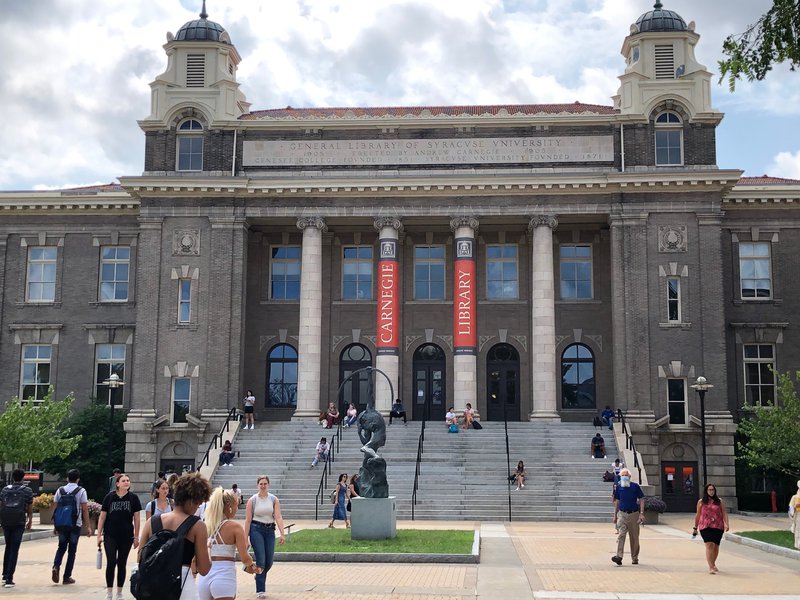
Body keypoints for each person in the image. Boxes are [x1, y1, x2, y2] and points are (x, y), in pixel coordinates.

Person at [138, 471, 212, 600]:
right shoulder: (197, 525)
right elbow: (204, 569)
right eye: (198, 503)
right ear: (191, 500)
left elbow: (140, 557)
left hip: (153, 583)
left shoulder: (152, 521)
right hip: (182, 583)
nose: (198, 507)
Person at [197, 487, 261, 600]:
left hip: (204, 577)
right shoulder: (234, 527)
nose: (237, 509)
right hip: (224, 576)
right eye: (236, 505)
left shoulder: (205, 525)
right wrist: (253, 567)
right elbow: (245, 558)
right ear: (230, 507)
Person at [97, 473, 141, 599]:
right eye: (123, 481)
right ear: (117, 484)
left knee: (122, 563)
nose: (126, 482)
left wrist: (136, 537)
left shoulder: (133, 498)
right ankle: (109, 592)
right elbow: (102, 517)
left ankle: (119, 592)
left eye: (128, 480)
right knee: (111, 562)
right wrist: (99, 535)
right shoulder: (109, 497)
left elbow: (137, 519)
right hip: (110, 534)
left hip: (126, 535)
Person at [243, 475, 286, 600]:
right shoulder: (253, 500)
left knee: (269, 561)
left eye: (265, 484)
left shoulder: (273, 499)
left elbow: (278, 516)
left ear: (268, 485)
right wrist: (245, 538)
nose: (263, 486)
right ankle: (260, 589)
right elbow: (247, 520)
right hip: (256, 530)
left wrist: (282, 533)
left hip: (269, 530)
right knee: (261, 559)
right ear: (257, 485)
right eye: (261, 484)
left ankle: (258, 574)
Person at [51, 469, 92, 586]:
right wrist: (88, 526)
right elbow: (84, 508)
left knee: (61, 547)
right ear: (78, 479)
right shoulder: (81, 491)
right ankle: (67, 576)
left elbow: (55, 508)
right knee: (72, 551)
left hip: (62, 524)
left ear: (67, 478)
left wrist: (55, 525)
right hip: (75, 524)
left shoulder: (60, 490)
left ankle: (56, 566)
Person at [1, 468, 34, 588]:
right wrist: (30, 520)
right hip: (19, 522)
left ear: (13, 477)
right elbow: (30, 507)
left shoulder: (5, 489)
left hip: (6, 521)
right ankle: (9, 578)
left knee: (8, 547)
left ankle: (5, 574)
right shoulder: (27, 490)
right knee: (15, 549)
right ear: (23, 477)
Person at [693, 482, 730, 574]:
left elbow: (724, 513)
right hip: (705, 526)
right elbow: (698, 515)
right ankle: (711, 567)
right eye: (709, 490)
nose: (711, 491)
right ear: (706, 491)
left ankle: (713, 563)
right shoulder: (701, 502)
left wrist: (726, 524)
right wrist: (695, 527)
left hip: (718, 526)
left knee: (716, 546)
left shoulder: (719, 501)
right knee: (709, 545)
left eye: (712, 490)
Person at [611, 468, 645, 566]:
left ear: (629, 477)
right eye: (622, 476)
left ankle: (634, 557)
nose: (624, 477)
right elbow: (617, 501)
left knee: (634, 537)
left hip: (633, 514)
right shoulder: (619, 487)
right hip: (622, 514)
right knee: (621, 535)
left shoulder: (635, 487)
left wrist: (641, 513)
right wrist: (615, 515)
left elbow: (642, 498)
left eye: (626, 475)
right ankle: (619, 556)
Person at [789, 480, 800, 550]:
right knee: (798, 530)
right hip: (798, 515)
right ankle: (798, 544)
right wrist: (795, 508)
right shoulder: (795, 497)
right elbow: (791, 508)